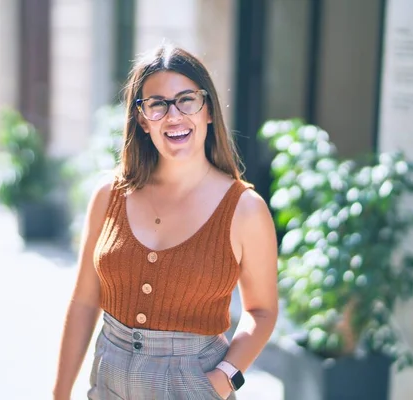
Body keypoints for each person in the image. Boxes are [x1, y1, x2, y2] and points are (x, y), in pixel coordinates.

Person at [53, 44, 278, 400]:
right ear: (142, 120)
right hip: (108, 383)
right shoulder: (108, 195)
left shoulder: (245, 209)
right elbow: (83, 301)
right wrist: (59, 393)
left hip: (195, 385)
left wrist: (222, 380)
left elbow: (262, 311)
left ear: (208, 110)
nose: (174, 116)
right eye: (158, 104)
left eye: (186, 100)